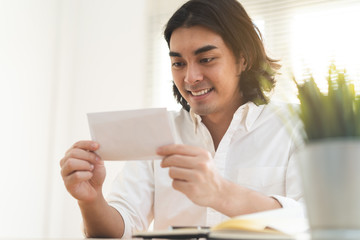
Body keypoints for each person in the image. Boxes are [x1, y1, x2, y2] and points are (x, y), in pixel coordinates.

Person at [60, 0, 303, 238]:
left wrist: (220, 193)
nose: (191, 77)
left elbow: (312, 224)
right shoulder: (157, 133)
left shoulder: (296, 126)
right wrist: (91, 200)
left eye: (206, 59)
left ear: (243, 59)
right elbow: (122, 229)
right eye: (178, 63)